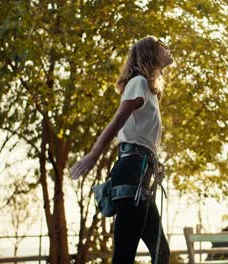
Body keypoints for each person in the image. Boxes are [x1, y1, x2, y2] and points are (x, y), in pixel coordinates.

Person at [70, 36, 173, 264]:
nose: (167, 48)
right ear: (149, 53)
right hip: (130, 172)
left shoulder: (151, 91)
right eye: (161, 46)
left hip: (142, 174)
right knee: (124, 257)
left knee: (161, 253)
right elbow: (118, 120)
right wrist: (94, 154)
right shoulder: (138, 83)